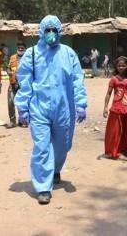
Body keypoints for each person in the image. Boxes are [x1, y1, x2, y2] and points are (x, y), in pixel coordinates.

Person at [14, 15, 87, 205]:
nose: (51, 34)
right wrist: (22, 107)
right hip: (39, 108)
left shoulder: (68, 53)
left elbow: (77, 79)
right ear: (41, 31)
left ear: (60, 31)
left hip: (64, 108)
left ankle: (55, 168)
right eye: (48, 30)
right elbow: (25, 82)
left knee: (63, 144)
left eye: (55, 30)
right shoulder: (31, 54)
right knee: (42, 147)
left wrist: (80, 103)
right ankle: (43, 187)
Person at [103, 56, 127, 161]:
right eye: (119, 66)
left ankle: (126, 149)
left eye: (123, 65)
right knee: (116, 130)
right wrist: (105, 107)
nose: (121, 67)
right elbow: (108, 94)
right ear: (116, 67)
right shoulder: (114, 79)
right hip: (117, 107)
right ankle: (116, 152)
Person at [7, 41, 27, 129]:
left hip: (24, 85)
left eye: (22, 47)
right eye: (19, 47)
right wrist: (10, 73)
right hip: (12, 83)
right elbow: (8, 69)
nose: (20, 48)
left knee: (22, 103)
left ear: (25, 48)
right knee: (11, 102)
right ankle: (12, 121)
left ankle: (22, 121)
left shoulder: (28, 58)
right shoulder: (12, 57)